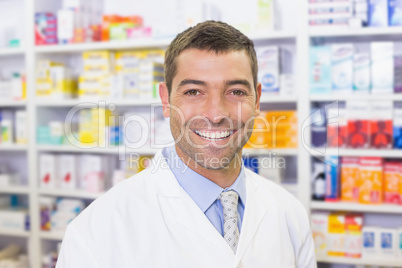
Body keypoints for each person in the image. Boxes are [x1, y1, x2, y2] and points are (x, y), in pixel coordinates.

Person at [56, 21, 316, 268]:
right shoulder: (95, 231)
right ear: (166, 100)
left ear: (257, 100)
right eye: (193, 92)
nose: (216, 114)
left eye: (236, 91)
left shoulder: (289, 212)